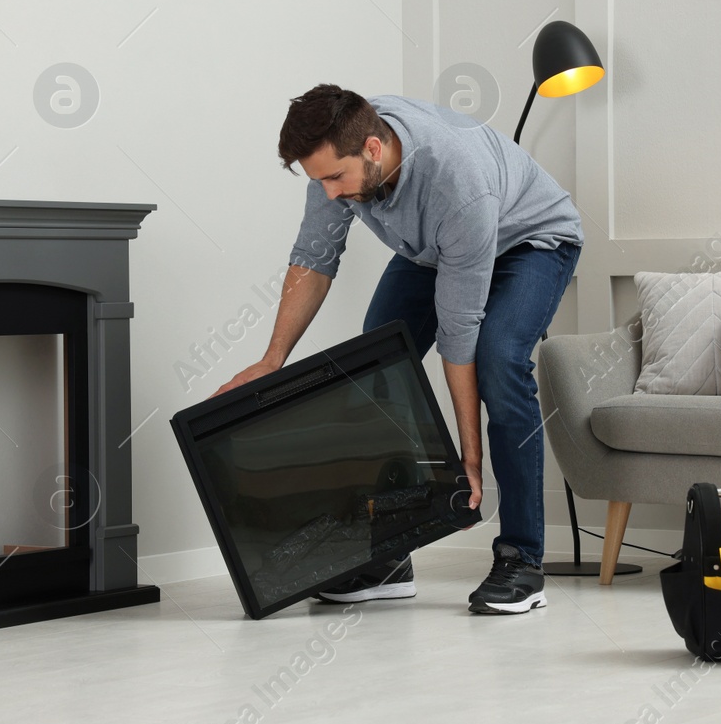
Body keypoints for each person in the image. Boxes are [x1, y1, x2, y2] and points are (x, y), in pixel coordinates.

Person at [212, 84, 583, 614]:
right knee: (376, 367)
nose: (331, 194)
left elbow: (459, 336)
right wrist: (273, 359)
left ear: (373, 149)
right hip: (436, 247)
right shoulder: (339, 152)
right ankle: (388, 553)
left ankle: (521, 559)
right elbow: (314, 257)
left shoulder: (459, 182)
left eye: (336, 178)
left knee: (499, 361)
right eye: (320, 182)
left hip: (530, 240)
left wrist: (468, 460)